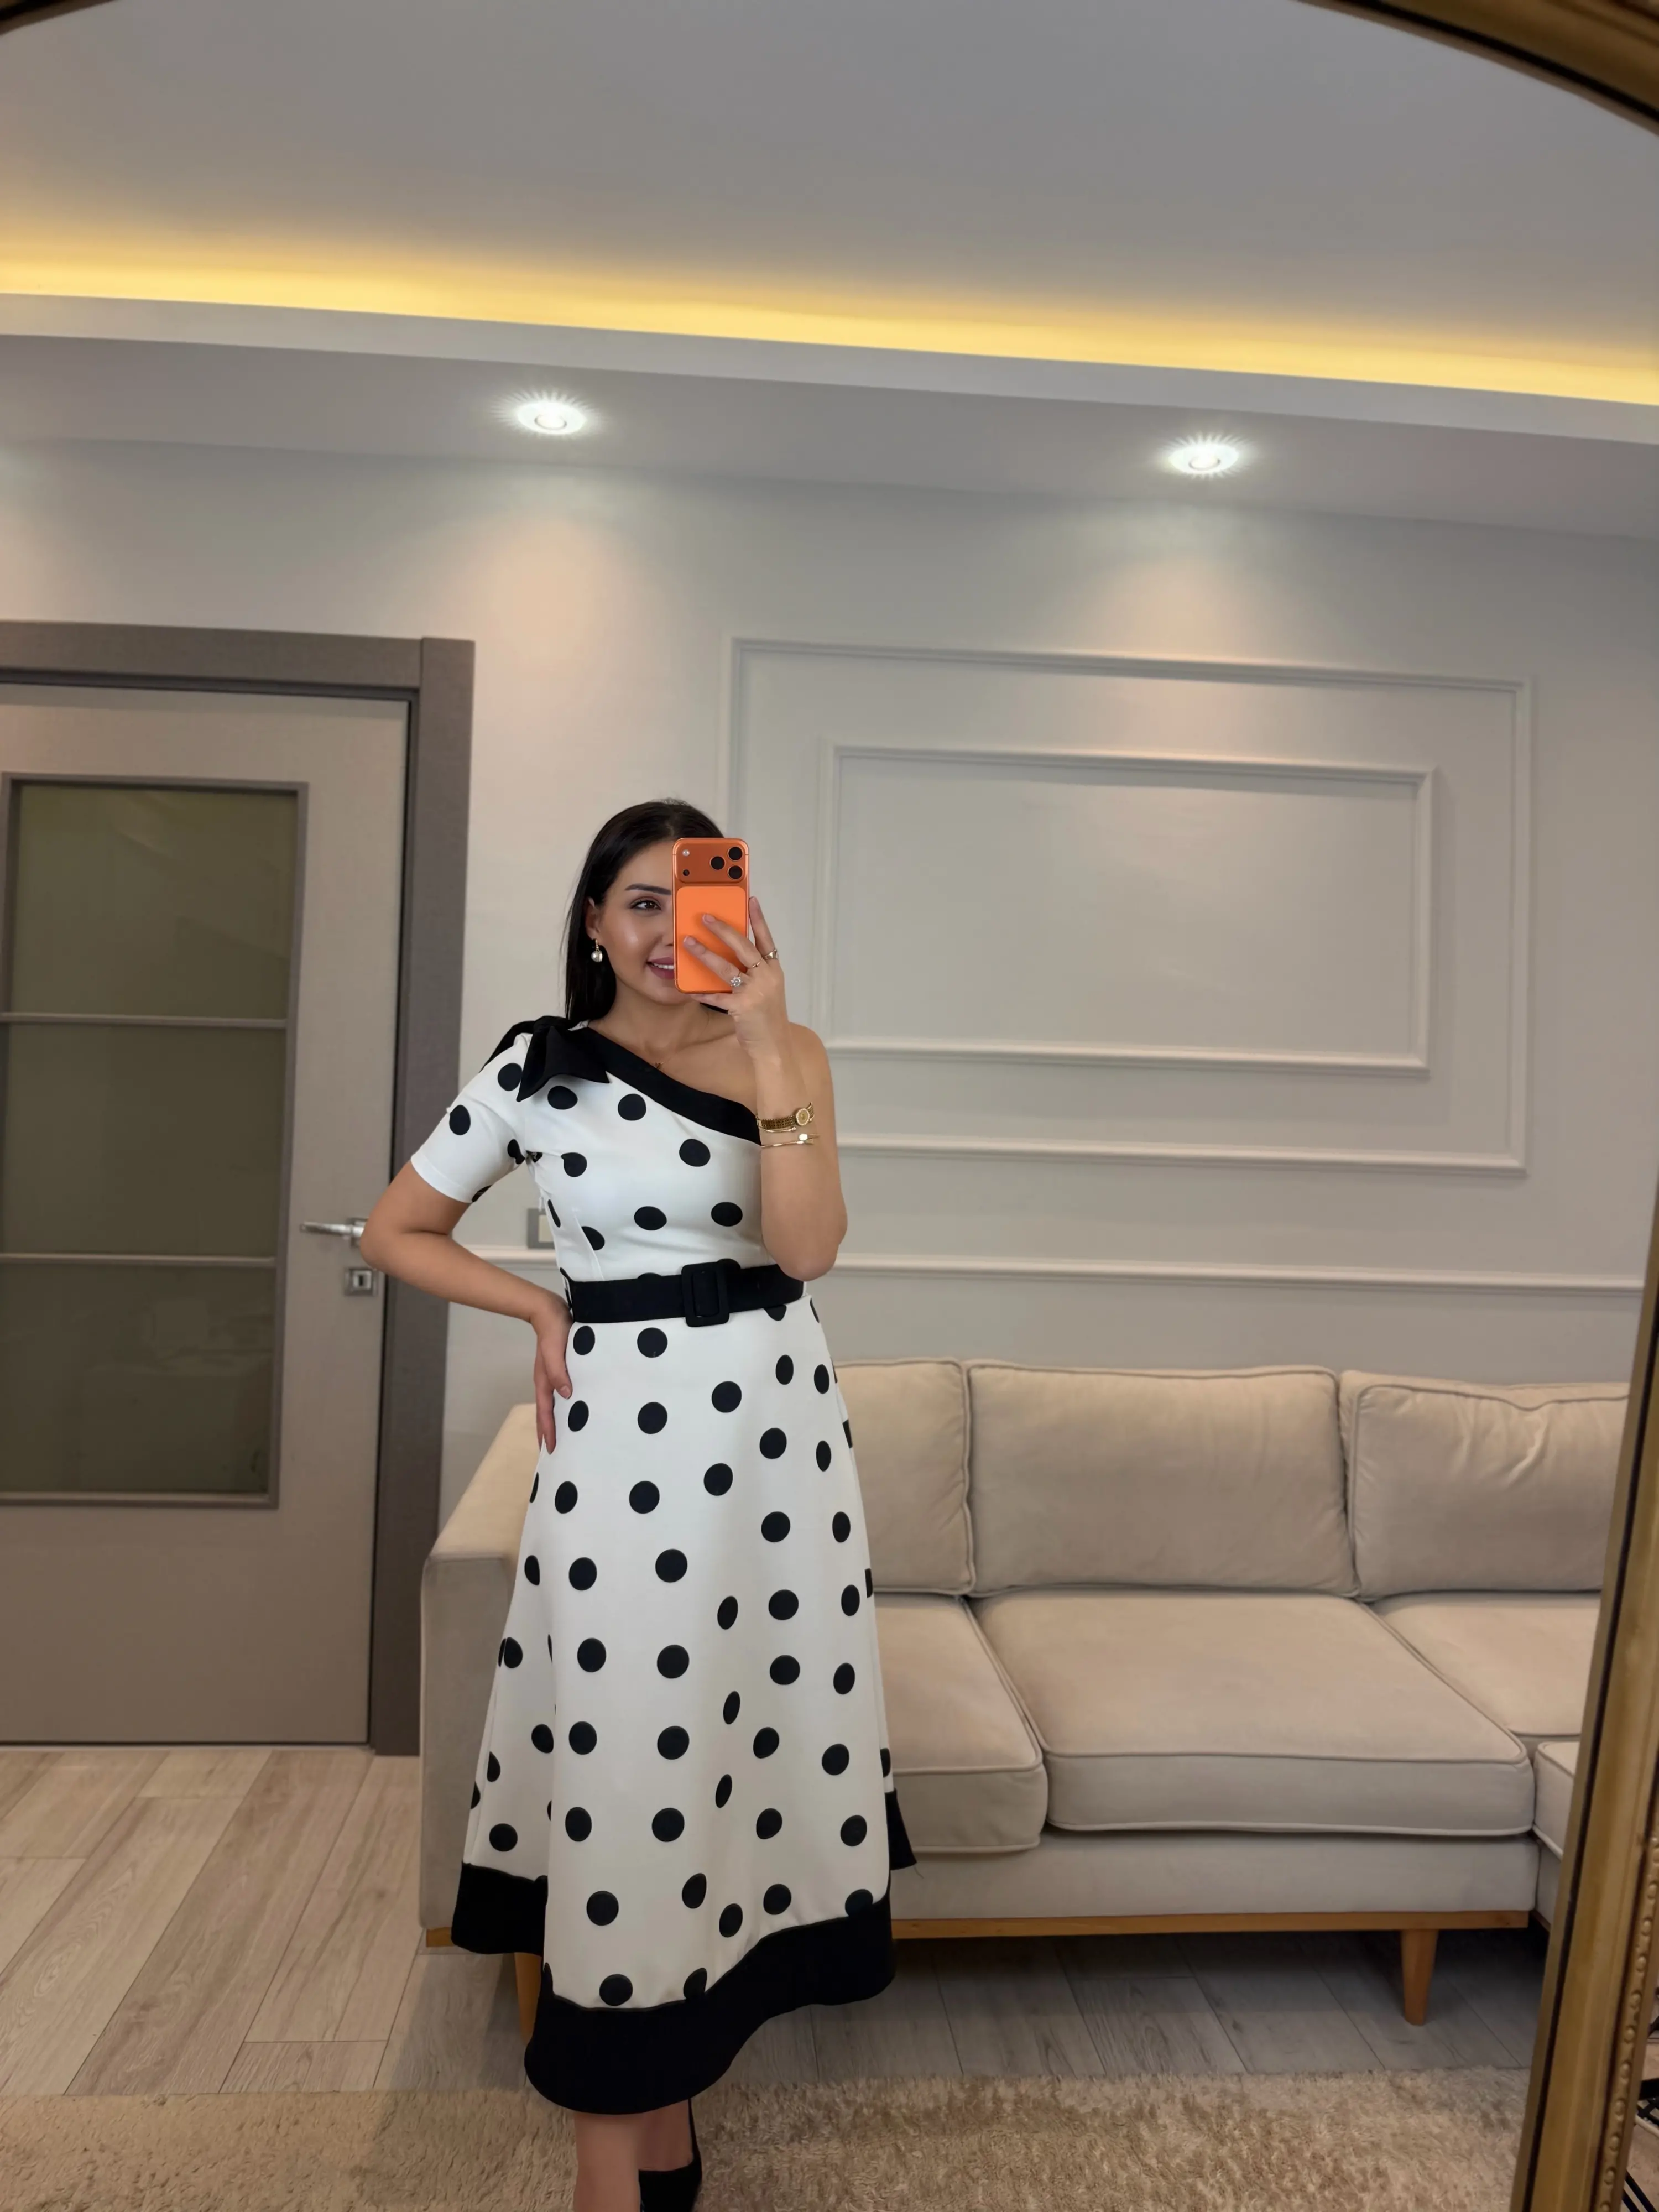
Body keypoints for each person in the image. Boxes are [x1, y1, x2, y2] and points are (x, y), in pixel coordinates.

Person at [360, 797, 915, 2212]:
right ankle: (619, 2161)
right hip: (621, 1445)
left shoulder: (788, 1053)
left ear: (741, 906)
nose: (671, 931)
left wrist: (770, 1036)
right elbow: (396, 1228)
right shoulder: (538, 1069)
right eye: (641, 902)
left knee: (720, 1751)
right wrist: (538, 1303)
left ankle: (663, 2140)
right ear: (595, 922)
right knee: (627, 1760)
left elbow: (808, 1246)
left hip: (776, 1449)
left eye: (697, 896)